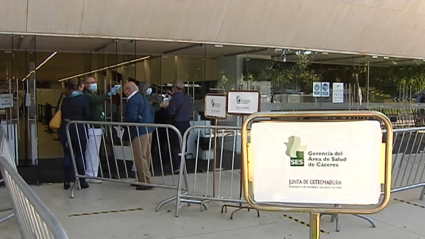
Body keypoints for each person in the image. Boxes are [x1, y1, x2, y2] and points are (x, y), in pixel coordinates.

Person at [83, 76, 121, 184]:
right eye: (91, 82)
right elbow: (96, 101)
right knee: (92, 152)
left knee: (95, 152)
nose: (94, 84)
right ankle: (90, 174)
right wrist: (109, 94)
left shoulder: (93, 94)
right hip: (92, 127)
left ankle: (93, 173)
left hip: (98, 127)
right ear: (85, 85)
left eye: (94, 82)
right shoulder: (87, 95)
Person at [58, 78, 92, 190]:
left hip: (66, 129)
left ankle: (66, 181)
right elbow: (88, 115)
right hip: (79, 129)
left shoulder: (63, 97)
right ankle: (82, 181)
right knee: (80, 155)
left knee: (67, 155)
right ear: (79, 86)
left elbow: (58, 112)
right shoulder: (82, 98)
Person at [123, 81, 155, 190]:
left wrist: (123, 123)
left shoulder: (133, 100)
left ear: (128, 89)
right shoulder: (142, 98)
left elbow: (131, 117)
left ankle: (145, 180)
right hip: (148, 129)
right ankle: (144, 178)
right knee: (145, 155)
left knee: (139, 156)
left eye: (125, 89)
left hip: (139, 131)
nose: (124, 92)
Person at [160, 80, 191, 173]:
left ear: (174, 88)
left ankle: (176, 166)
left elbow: (171, 112)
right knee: (184, 145)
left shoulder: (174, 99)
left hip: (176, 124)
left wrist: (166, 107)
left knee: (175, 146)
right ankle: (183, 165)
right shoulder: (187, 97)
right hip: (187, 123)